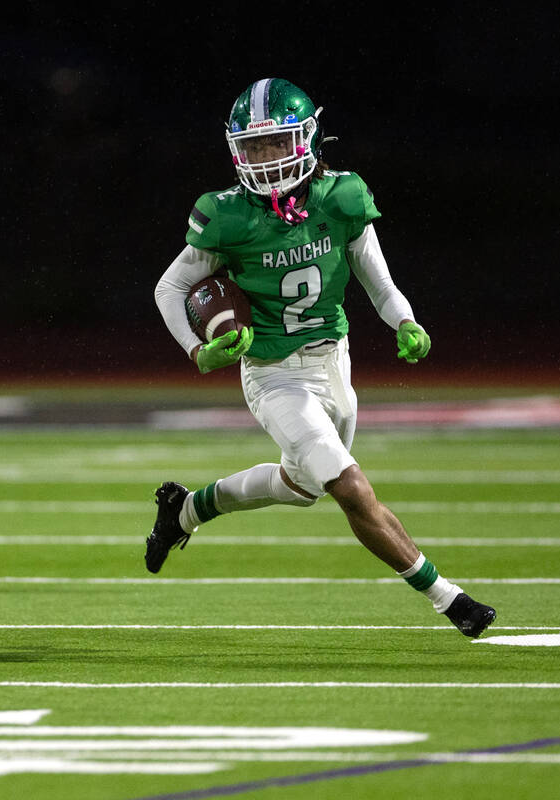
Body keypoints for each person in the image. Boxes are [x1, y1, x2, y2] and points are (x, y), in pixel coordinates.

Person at [147, 78, 496, 638]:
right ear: (237, 150)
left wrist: (405, 321)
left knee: (300, 486)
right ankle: (449, 599)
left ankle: (185, 510)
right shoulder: (226, 216)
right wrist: (199, 349)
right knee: (350, 488)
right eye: (255, 147)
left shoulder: (342, 197)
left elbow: (379, 283)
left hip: (335, 362)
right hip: (272, 374)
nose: (266, 159)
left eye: (277, 143)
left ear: (307, 139)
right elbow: (170, 288)